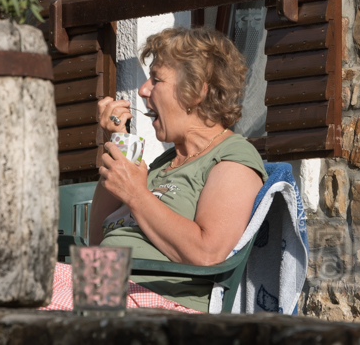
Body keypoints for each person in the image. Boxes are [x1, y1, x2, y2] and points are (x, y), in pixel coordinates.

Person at [90, 27, 265, 312]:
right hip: (103, 289)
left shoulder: (233, 156)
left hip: (158, 305)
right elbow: (96, 241)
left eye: (156, 79)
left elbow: (207, 253)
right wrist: (121, 143)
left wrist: (136, 195)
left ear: (196, 91)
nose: (143, 90)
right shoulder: (163, 163)